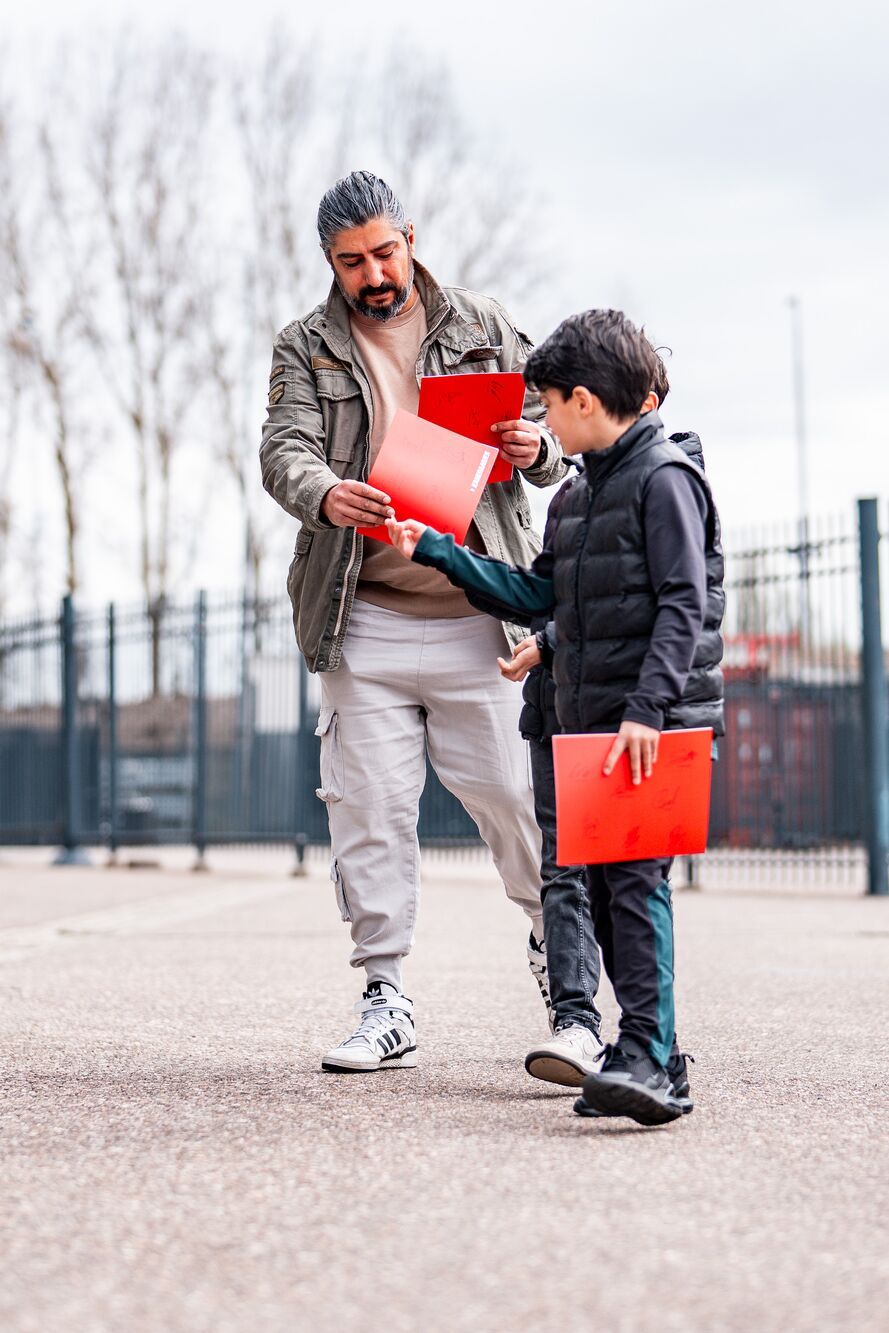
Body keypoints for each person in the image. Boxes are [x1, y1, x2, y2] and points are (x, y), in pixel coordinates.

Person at [259, 170, 568, 1073]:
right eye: (351, 261)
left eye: (384, 251)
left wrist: (535, 445)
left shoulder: (483, 322)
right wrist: (324, 493)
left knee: (516, 799)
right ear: (330, 262)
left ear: (410, 237)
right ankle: (384, 994)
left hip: (484, 616)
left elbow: (558, 426)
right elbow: (282, 451)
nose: (372, 273)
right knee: (370, 812)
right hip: (366, 617)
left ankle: (567, 972)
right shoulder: (304, 347)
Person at [387, 309, 725, 1125]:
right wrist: (434, 549)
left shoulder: (665, 477)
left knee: (636, 886)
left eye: (545, 405)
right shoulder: (575, 496)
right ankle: (652, 1056)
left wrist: (647, 711)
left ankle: (648, 1059)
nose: (541, 421)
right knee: (607, 892)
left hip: (649, 724)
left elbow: (686, 602)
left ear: (580, 400)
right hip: (584, 718)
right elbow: (540, 595)